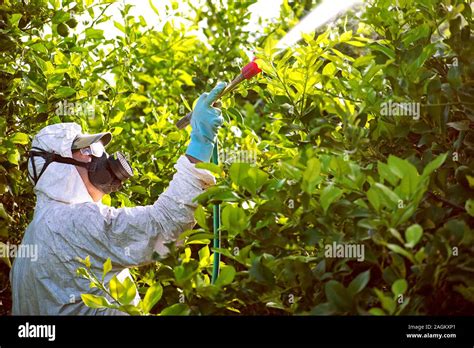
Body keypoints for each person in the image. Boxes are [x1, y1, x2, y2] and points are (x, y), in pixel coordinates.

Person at [10, 82, 226, 315]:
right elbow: (165, 225)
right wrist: (200, 145)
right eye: (85, 150)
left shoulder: (35, 233)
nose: (98, 155)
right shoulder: (73, 221)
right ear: (58, 167)